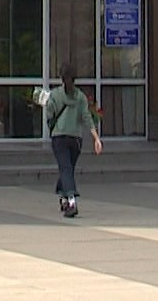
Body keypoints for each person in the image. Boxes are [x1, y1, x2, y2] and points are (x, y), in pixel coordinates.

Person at [44, 61, 101, 217]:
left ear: (61, 78)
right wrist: (96, 138)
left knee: (65, 168)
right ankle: (63, 197)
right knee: (68, 168)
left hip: (59, 137)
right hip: (76, 139)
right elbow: (87, 117)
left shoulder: (55, 95)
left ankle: (71, 201)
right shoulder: (81, 97)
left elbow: (49, 114)